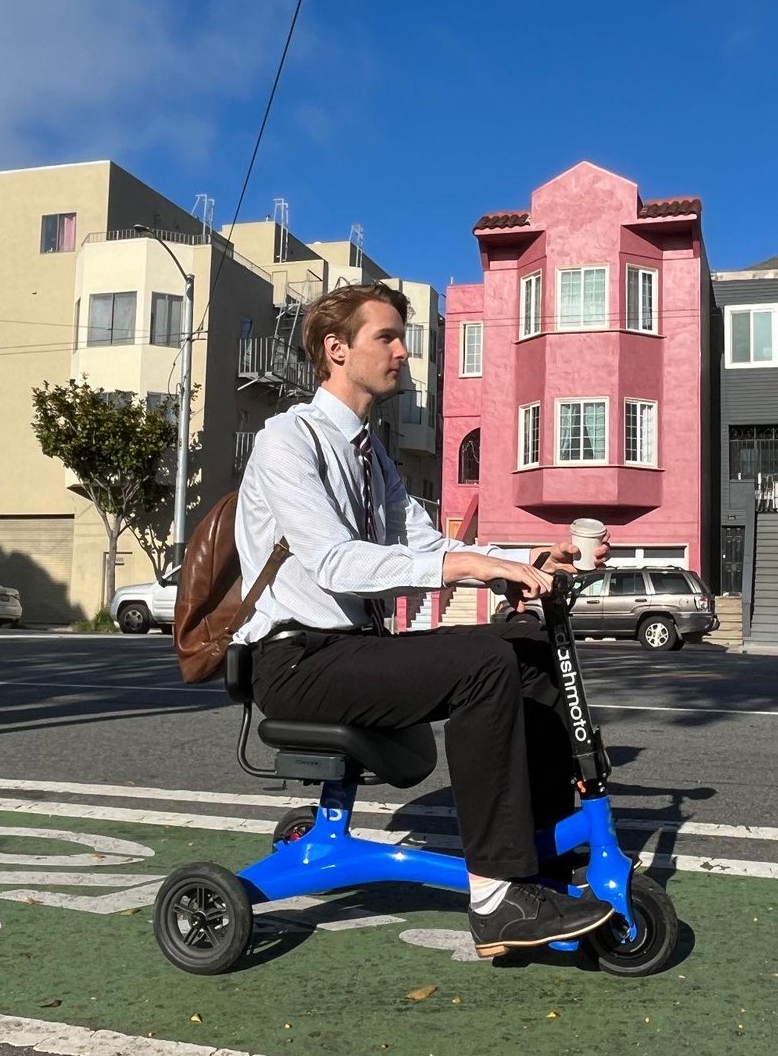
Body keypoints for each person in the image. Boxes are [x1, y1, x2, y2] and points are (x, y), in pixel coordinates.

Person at [234, 280, 616, 958]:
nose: (404, 352)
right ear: (335, 349)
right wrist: (469, 571)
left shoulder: (370, 455)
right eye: (386, 336)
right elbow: (332, 564)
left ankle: (541, 861)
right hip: (297, 659)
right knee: (482, 664)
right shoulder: (287, 442)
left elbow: (431, 545)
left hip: (353, 649)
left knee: (524, 644)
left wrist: (524, 559)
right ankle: (497, 899)